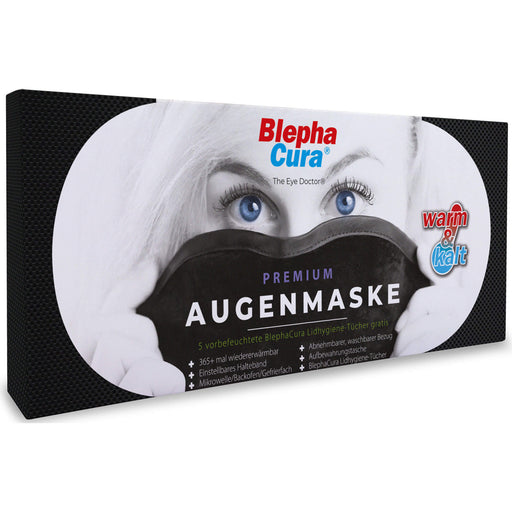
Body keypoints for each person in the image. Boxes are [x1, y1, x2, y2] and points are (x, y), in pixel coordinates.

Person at [53, 101, 490, 396]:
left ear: (410, 197)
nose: (297, 259)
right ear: (178, 219)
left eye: (347, 200)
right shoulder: (130, 358)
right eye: (249, 206)